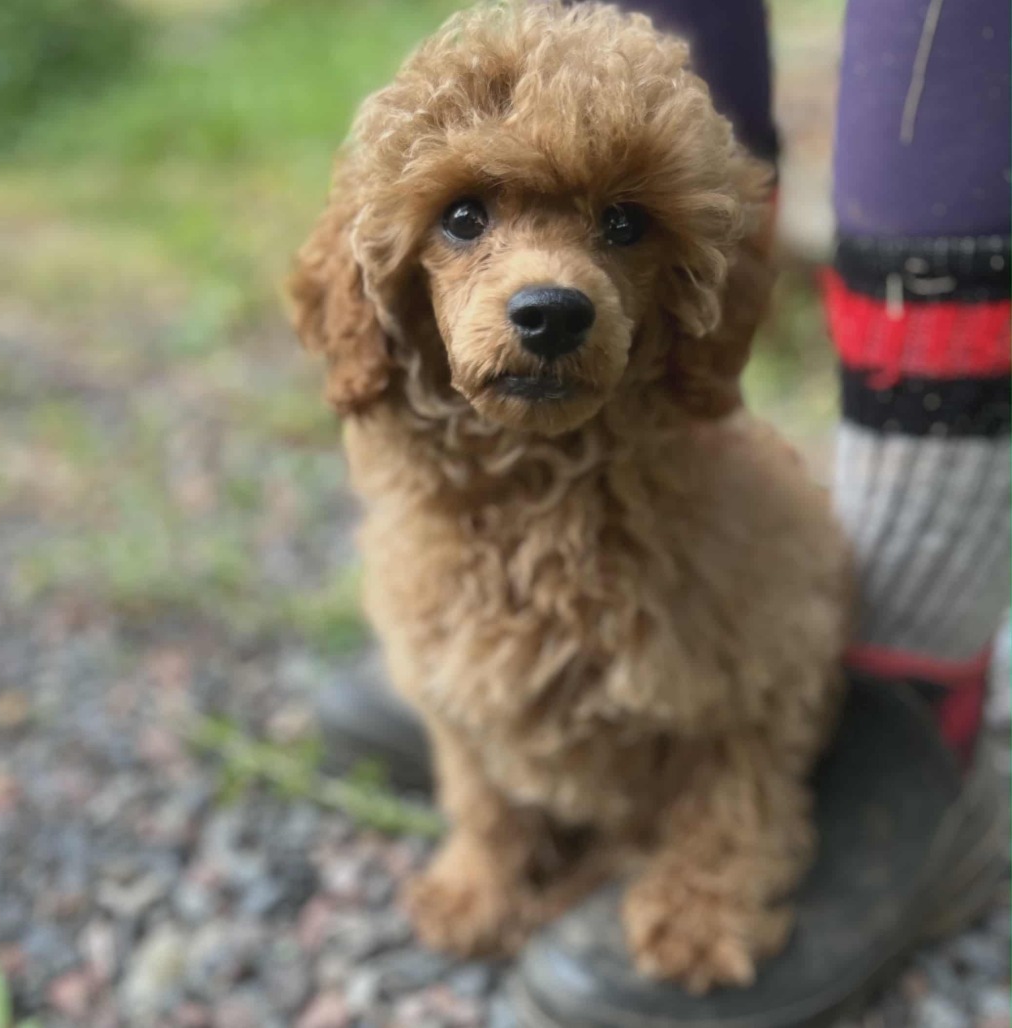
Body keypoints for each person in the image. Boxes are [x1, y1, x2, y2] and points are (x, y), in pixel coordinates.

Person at [321, 2, 1011, 1024]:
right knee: (447, 687)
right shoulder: (405, 481)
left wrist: (712, 865)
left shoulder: (721, 535)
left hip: (712, 652)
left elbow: (759, 703)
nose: (546, 286)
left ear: (692, 284)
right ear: (373, 279)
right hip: (469, 584)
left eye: (623, 226)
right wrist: (489, 843)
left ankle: (899, 727)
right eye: (467, 217)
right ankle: (508, 826)